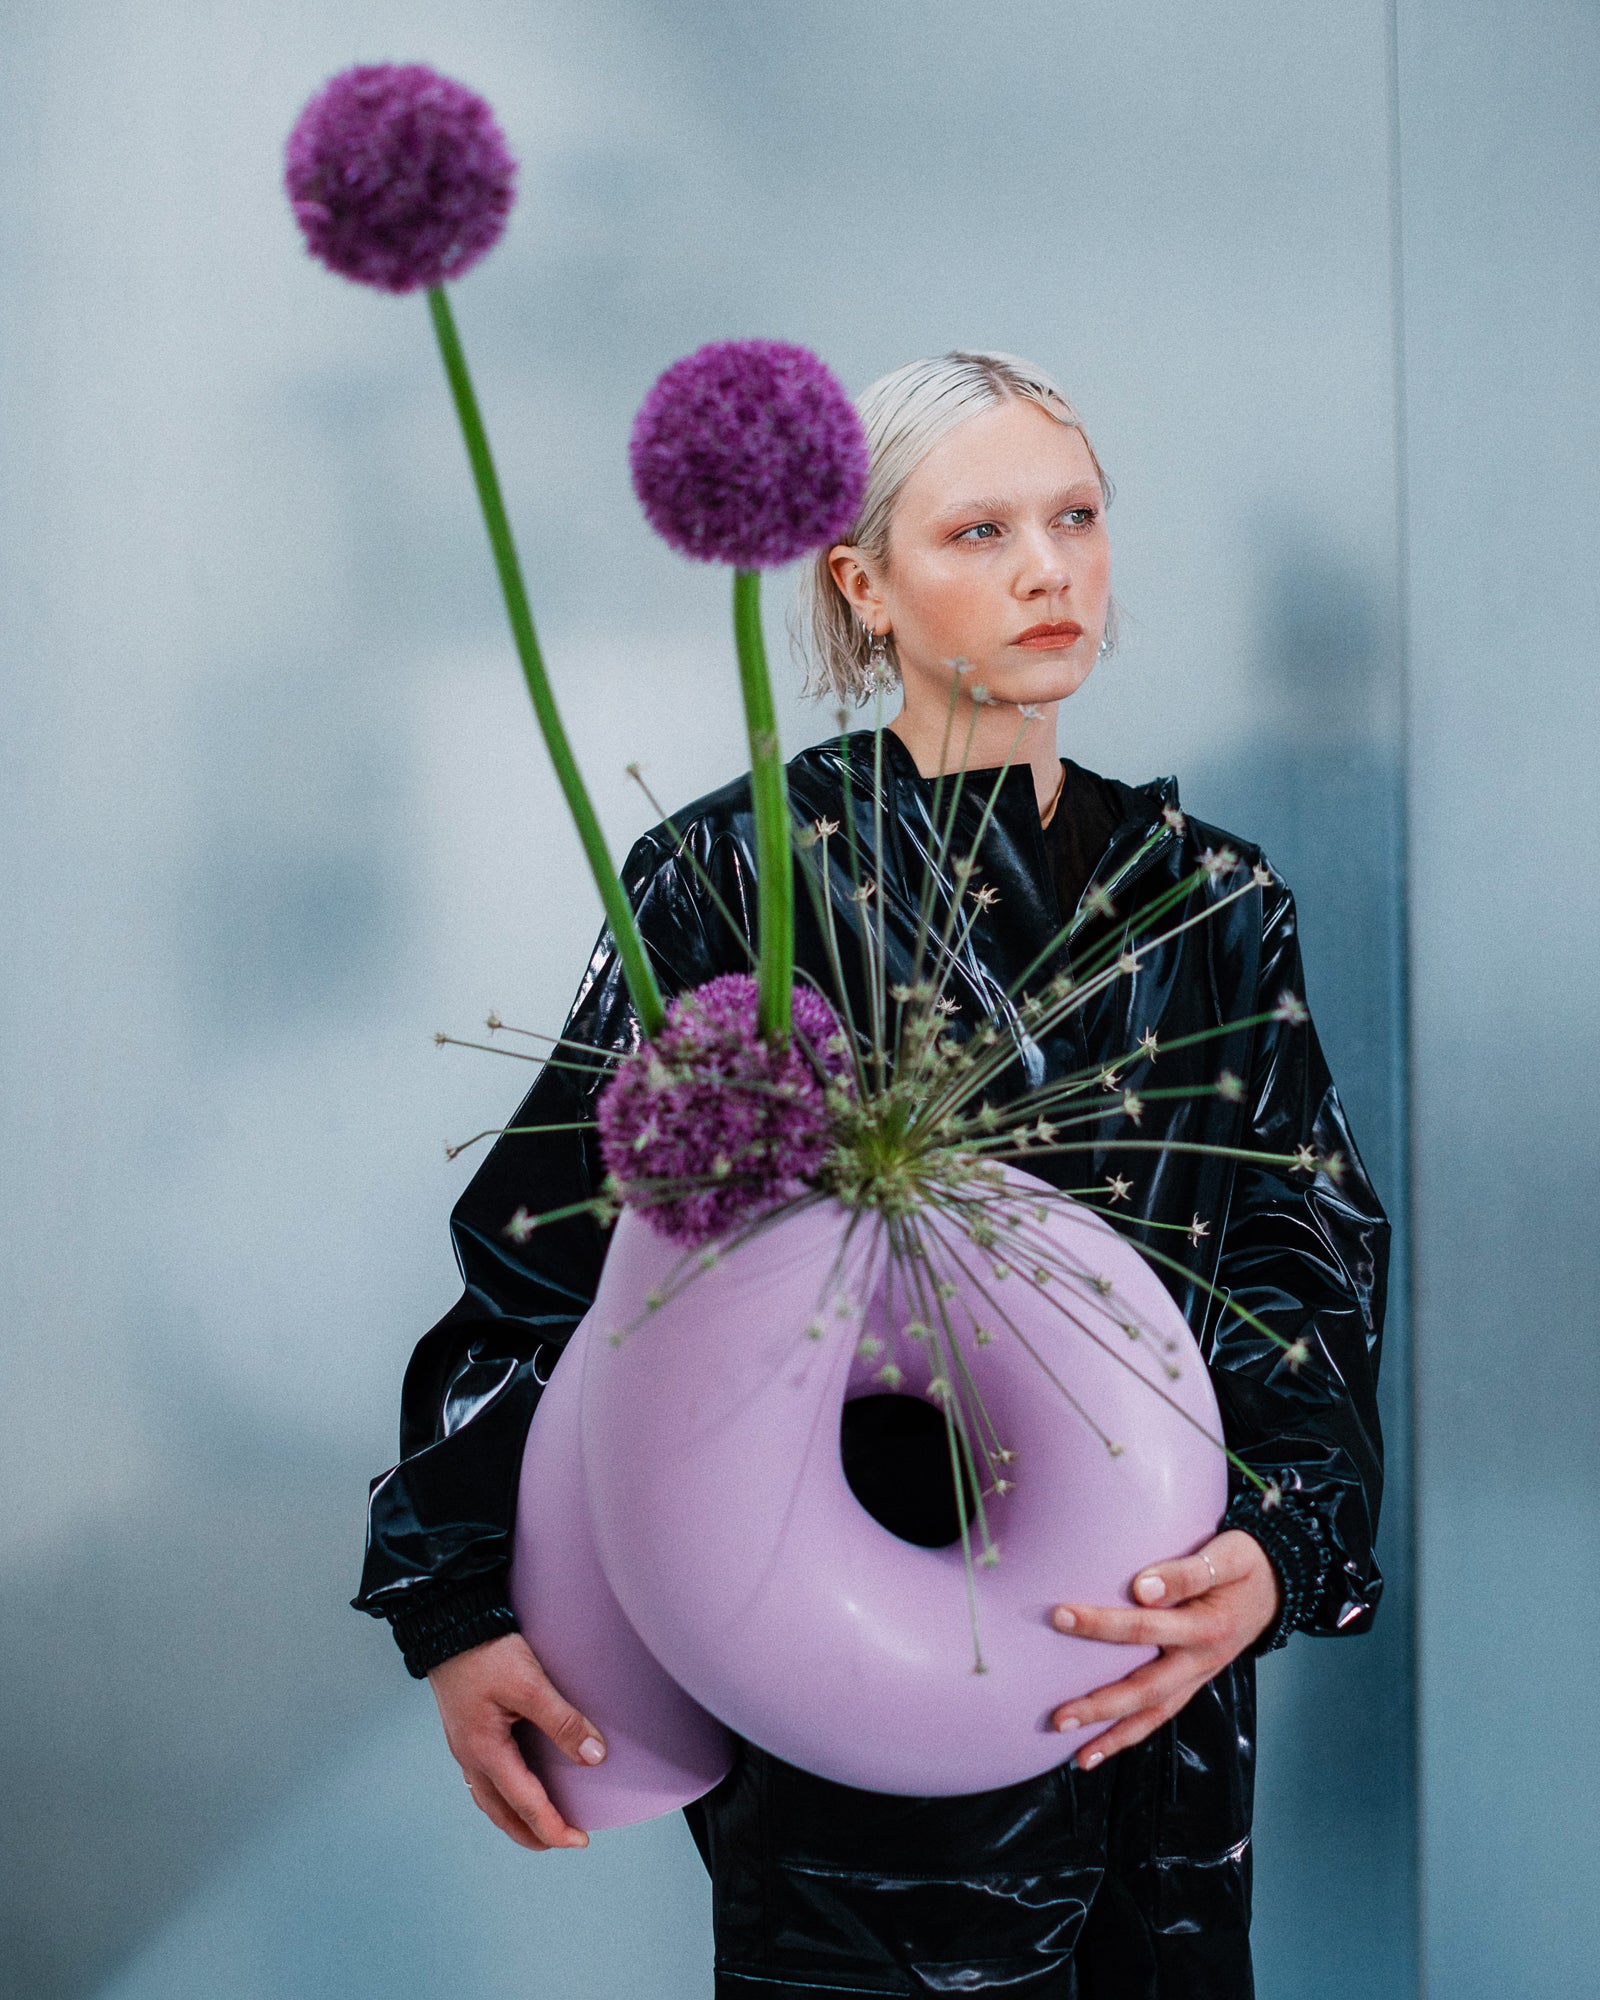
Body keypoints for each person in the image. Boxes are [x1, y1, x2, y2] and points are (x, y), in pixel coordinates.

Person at [354, 351, 1388, 1998]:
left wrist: (1281, 1539)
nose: (1049, 568)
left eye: (1076, 517)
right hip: (840, 1661)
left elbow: (1300, 1243)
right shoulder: (737, 874)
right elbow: (555, 1253)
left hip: (1149, 1661)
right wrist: (459, 1601)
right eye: (979, 530)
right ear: (863, 584)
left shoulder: (1207, 897)